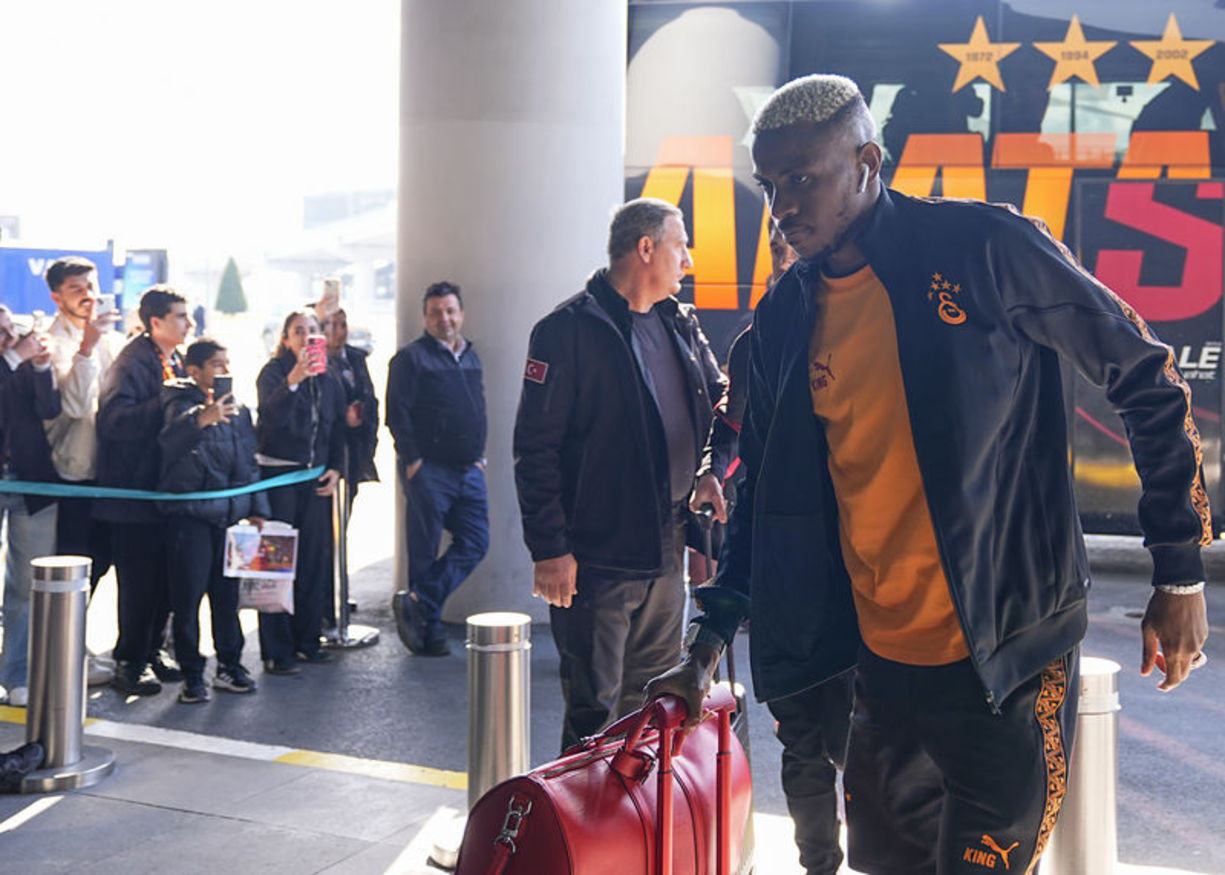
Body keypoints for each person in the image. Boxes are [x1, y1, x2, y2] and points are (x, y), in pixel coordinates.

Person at [647, 74, 1211, 875]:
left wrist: (1179, 573)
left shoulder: (983, 248)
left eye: (802, 178)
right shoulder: (781, 320)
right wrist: (704, 643)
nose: (782, 207)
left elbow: (1146, 377)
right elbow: (764, 505)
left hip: (1008, 663)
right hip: (876, 675)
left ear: (867, 163)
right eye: (769, 186)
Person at [514, 198, 725, 751]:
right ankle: (584, 808)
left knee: (654, 704)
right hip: (597, 559)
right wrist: (549, 550)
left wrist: (709, 471)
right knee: (594, 713)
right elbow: (535, 450)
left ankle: (637, 807)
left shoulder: (679, 323)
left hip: (668, 546)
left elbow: (716, 405)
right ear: (646, 248)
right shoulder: (566, 331)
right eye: (680, 246)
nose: (688, 261)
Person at [158, 338, 268, 703]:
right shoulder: (177, 402)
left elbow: (250, 462)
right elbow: (167, 444)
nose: (225, 370)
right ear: (194, 371)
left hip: (230, 519)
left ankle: (230, 666)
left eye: (227, 363)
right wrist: (200, 420)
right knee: (187, 600)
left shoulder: (240, 411)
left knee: (227, 598)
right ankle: (192, 676)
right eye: (217, 365)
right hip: (190, 519)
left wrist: (258, 509)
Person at [96, 285, 191, 696]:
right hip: (132, 494)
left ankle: (153, 650)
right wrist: (166, 402)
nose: (188, 323)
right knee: (139, 583)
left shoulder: (175, 358)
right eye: (180, 316)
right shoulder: (132, 361)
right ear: (156, 322)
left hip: (164, 491)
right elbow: (113, 421)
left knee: (165, 580)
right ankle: (129, 662)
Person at [386, 282, 488, 657]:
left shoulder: (471, 356)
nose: (444, 319)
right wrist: (414, 462)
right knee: (424, 551)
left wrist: (479, 457)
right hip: (429, 471)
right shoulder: (410, 359)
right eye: (435, 313)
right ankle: (428, 634)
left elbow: (478, 407)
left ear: (461, 313)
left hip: (469, 470)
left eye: (450, 311)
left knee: (476, 542)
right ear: (425, 317)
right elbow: (396, 414)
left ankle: (417, 600)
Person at [43, 257, 122, 688]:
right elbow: (73, 407)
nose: (88, 296)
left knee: (100, 563)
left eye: (91, 286)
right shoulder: (51, 341)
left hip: (108, 474)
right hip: (69, 474)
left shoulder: (110, 337)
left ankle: (76, 650)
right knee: (69, 569)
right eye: (77, 289)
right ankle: (60, 657)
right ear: (56, 297)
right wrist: (87, 349)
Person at [254, 309, 345, 674]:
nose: (306, 336)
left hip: (315, 481)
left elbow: (336, 428)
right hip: (278, 480)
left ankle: (308, 640)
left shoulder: (329, 377)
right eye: (297, 331)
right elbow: (269, 419)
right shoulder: (273, 373)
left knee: (313, 561)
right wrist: (293, 380)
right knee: (277, 565)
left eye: (312, 329)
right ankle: (277, 650)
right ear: (286, 339)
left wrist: (336, 468)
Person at [0, 305, 60, 707]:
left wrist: (41, 368)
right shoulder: (10, 361)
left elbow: (50, 410)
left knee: (26, 583)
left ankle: (16, 675)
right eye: (0, 332)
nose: (10, 338)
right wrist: (13, 358)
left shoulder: (20, 365)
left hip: (31, 481)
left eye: (11, 330)